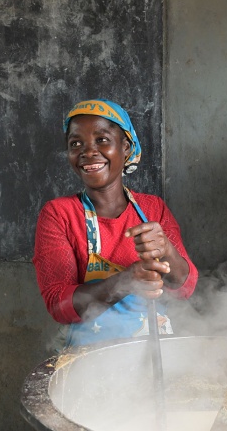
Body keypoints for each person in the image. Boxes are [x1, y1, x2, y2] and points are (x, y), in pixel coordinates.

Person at [33, 99, 198, 350]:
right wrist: (126, 281)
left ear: (126, 148)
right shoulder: (59, 214)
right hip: (87, 355)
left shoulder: (152, 210)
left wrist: (166, 249)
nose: (88, 152)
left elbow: (183, 288)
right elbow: (59, 304)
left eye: (102, 140)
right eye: (76, 143)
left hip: (154, 350)